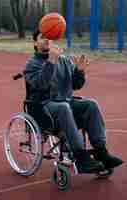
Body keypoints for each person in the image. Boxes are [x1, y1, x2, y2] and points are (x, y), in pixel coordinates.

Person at [24, 29, 123, 174]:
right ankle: (80, 157)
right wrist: (51, 62)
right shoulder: (32, 64)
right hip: (43, 106)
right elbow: (41, 84)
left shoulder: (63, 60)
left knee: (91, 104)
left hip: (65, 103)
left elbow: (76, 85)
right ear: (35, 43)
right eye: (42, 37)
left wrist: (79, 71)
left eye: (49, 37)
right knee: (64, 107)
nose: (46, 40)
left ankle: (101, 151)